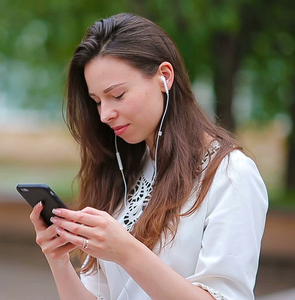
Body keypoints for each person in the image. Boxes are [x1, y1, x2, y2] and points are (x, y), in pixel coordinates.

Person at [29, 13, 268, 300]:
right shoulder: (121, 172)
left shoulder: (230, 174)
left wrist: (127, 252)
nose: (105, 115)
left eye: (117, 95)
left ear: (164, 77)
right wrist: (58, 260)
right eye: (97, 102)